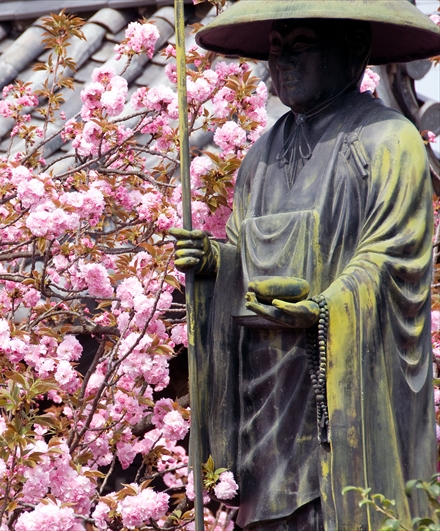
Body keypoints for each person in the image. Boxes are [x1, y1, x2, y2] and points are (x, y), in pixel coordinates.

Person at [171, 2, 440, 530]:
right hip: (267, 398)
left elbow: (392, 257)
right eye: (276, 50)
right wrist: (214, 263)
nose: (284, 64)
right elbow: (243, 256)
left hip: (342, 387)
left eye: (300, 46)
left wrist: (322, 310)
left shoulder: (389, 141)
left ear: (354, 51)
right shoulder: (260, 156)